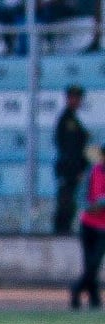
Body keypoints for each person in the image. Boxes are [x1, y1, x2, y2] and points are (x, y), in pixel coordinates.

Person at [70, 142, 105, 309]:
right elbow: (81, 195)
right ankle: (94, 299)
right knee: (89, 263)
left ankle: (76, 289)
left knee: (94, 263)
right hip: (88, 223)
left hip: (103, 227)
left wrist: (100, 203)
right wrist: (90, 206)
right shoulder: (93, 171)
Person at [54, 85, 90, 236]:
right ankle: (61, 232)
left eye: (79, 98)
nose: (77, 101)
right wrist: (77, 169)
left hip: (72, 167)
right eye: (74, 97)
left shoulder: (73, 119)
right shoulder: (67, 120)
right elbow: (70, 149)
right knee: (66, 202)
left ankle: (63, 230)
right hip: (69, 168)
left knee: (69, 202)